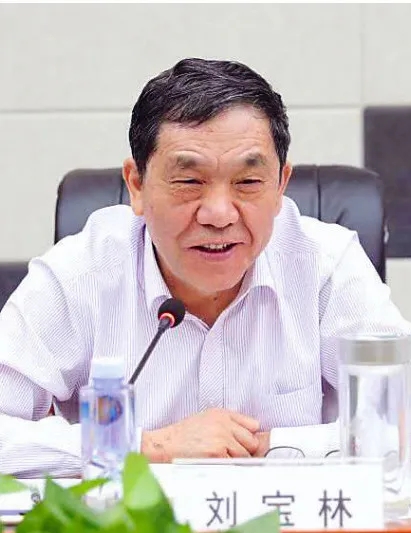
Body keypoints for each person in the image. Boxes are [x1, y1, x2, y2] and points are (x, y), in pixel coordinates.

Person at [0, 58, 409, 478]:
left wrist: (266, 448)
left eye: (247, 183)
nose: (218, 214)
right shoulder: (80, 273)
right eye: (189, 182)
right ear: (136, 185)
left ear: (280, 186)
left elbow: (401, 420)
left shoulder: (326, 265)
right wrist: (147, 446)